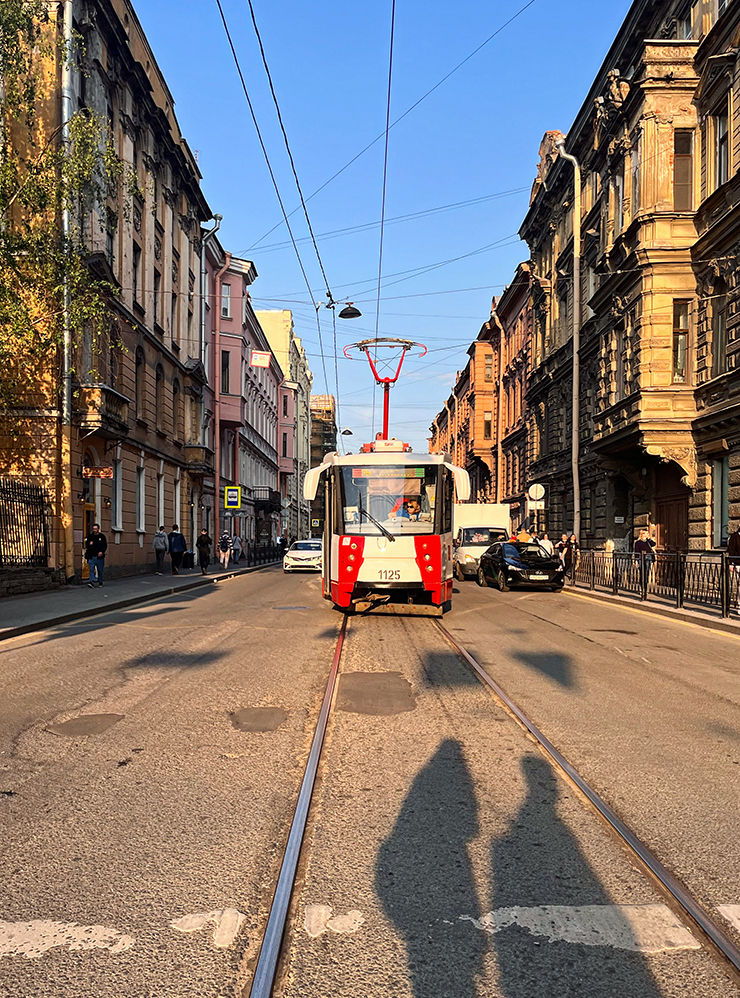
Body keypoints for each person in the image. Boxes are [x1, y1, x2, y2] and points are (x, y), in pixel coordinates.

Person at [84, 523, 107, 587]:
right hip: (91, 556)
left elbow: (104, 546)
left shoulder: (102, 537)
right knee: (91, 569)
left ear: (98, 529)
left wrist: (102, 552)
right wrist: (89, 544)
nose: (94, 530)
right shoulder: (90, 536)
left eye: (96, 529)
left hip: (99, 557)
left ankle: (100, 582)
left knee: (100, 570)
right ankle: (91, 581)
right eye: (93, 529)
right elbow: (86, 545)